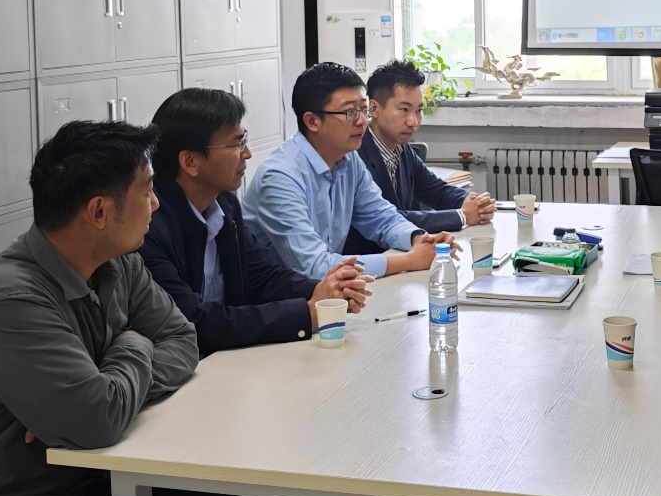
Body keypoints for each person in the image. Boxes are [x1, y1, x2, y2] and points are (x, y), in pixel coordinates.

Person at [0, 120, 199, 496]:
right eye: (147, 191)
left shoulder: (120, 263)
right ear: (99, 212)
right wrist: (133, 345)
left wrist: (105, 392)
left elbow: (182, 340)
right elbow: (96, 421)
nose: (155, 203)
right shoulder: (11, 300)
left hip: (70, 484)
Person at [142, 88, 374, 358]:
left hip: (227, 360)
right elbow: (193, 321)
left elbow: (265, 277)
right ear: (190, 161)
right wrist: (306, 314)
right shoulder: (149, 227)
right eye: (236, 144)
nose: (248, 153)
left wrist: (327, 291)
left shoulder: (225, 205)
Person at [242, 62, 457, 281]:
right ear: (312, 121)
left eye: (364, 110)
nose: (362, 121)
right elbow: (314, 266)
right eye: (350, 112)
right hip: (282, 297)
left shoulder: (348, 158)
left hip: (329, 291)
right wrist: (410, 260)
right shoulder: (280, 177)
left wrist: (417, 239)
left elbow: (380, 216)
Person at [343, 59, 494, 255]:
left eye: (419, 110)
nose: (413, 121)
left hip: (402, 253)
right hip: (368, 259)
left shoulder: (402, 149)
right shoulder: (356, 154)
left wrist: (473, 202)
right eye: (404, 110)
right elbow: (390, 217)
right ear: (374, 109)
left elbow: (435, 189)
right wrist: (462, 215)